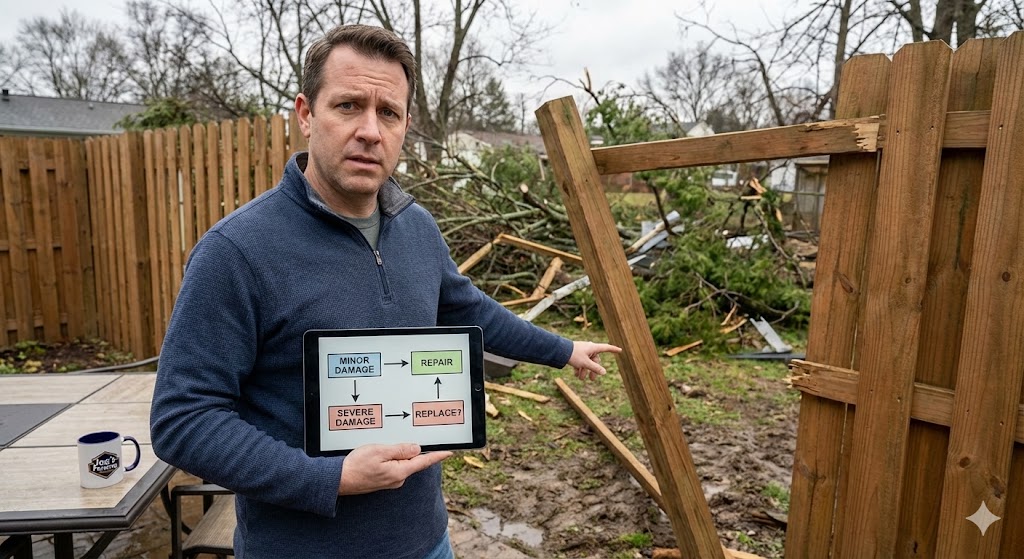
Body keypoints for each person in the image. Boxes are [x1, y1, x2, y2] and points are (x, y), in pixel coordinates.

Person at [150, 23, 620, 559]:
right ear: (306, 114)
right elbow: (183, 419)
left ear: (405, 127)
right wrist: (325, 477)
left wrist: (562, 350)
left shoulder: (417, 228)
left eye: (388, 112)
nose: (370, 131)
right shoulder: (237, 251)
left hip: (426, 541)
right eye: (348, 106)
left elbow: (468, 309)